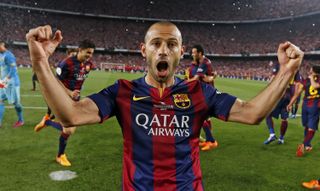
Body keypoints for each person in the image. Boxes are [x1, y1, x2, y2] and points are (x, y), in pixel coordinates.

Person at [26, 22, 303, 190]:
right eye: (156, 43)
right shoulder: (123, 91)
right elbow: (70, 114)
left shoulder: (199, 92)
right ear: (144, 50)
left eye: (172, 44)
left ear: (180, 52)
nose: (163, 50)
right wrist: (40, 62)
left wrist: (287, 70)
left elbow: (253, 113)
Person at [34, 43, 95, 166]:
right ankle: (60, 155)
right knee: (70, 129)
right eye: (88, 52)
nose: (90, 55)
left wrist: (75, 93)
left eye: (92, 53)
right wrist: (69, 92)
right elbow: (56, 81)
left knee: (70, 128)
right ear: (80, 50)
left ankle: (47, 122)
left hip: (75, 97)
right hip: (62, 96)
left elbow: (79, 80)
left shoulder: (89, 65)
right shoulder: (66, 63)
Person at [185, 44, 218, 151]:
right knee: (204, 117)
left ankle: (211, 141)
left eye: (194, 52)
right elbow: (208, 76)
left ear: (200, 53)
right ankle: (208, 139)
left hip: (207, 93)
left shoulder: (204, 63)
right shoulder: (201, 63)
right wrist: (212, 76)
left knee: (199, 115)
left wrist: (181, 83)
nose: (192, 54)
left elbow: (195, 79)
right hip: (204, 92)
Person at [263, 62, 301, 145]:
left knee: (267, 114)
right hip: (288, 96)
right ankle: (281, 138)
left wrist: (268, 89)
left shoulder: (280, 64)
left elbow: (273, 77)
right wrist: (292, 101)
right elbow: (297, 86)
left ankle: (272, 134)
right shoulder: (295, 68)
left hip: (279, 94)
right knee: (284, 118)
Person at [287, 64, 320, 157]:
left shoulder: (308, 79)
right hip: (310, 105)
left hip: (312, 105)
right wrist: (290, 104)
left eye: (311, 69)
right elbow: (297, 93)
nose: (309, 70)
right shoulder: (306, 80)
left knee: (310, 127)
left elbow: (315, 86)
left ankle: (304, 145)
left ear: (314, 71)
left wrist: (312, 77)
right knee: (308, 126)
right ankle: (306, 144)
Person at [0, 42, 24, 128]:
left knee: (16, 103)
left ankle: (21, 120)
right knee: (0, 100)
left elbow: (13, 69)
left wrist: (6, 79)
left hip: (12, 83)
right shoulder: (1, 55)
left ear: (3, 45)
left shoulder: (9, 55)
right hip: (3, 83)